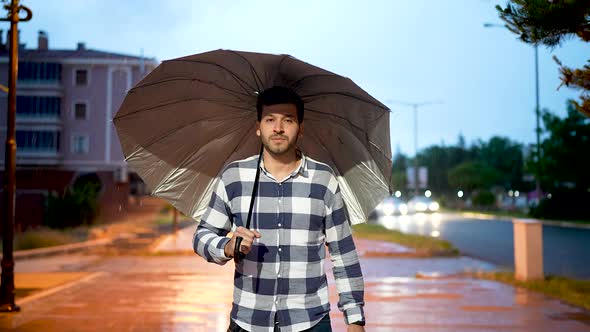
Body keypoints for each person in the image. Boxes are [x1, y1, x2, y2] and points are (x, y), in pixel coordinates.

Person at [193, 86, 365, 332]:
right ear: (258, 126)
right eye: (270, 119)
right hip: (248, 320)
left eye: (288, 120)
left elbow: (343, 254)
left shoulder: (323, 179)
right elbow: (201, 236)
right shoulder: (235, 176)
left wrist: (355, 319)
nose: (278, 128)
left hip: (310, 321)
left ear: (301, 127)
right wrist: (228, 246)